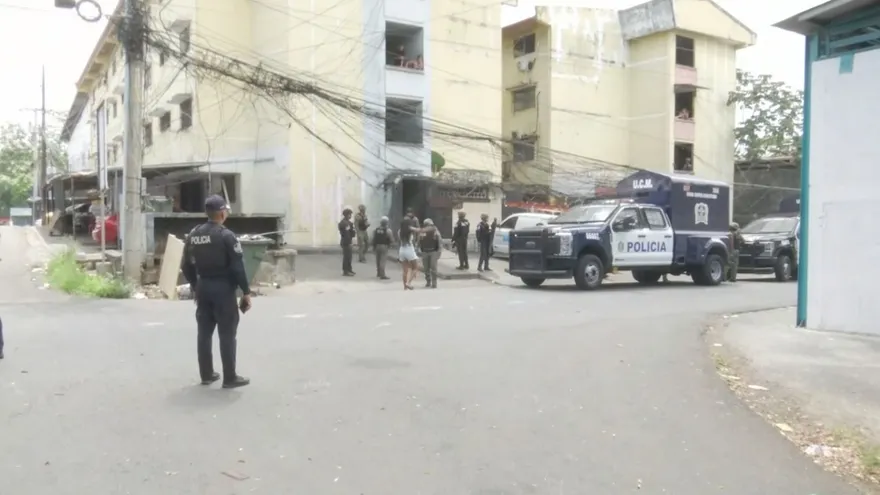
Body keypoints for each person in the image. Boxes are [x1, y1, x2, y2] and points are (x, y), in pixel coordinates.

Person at [180, 195, 250, 389]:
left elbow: (185, 265)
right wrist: (246, 291)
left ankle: (207, 374)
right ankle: (230, 377)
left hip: (203, 288)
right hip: (223, 289)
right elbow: (238, 267)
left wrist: (196, 285)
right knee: (227, 333)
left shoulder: (194, 234)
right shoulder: (226, 235)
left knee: (204, 332)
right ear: (221, 212)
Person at [397, 214, 420, 290]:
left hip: (402, 249)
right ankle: (408, 283)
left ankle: (404, 287)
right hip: (409, 248)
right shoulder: (410, 228)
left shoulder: (399, 231)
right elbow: (419, 230)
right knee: (415, 267)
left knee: (405, 270)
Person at [420, 218, 442, 288]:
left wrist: (439, 252)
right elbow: (419, 241)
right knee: (426, 268)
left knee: (433, 268)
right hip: (425, 252)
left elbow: (440, 242)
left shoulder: (435, 231)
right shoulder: (422, 231)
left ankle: (434, 283)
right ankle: (428, 281)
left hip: (433, 252)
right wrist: (420, 250)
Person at [338, 207, 356, 276]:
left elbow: (352, 233)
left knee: (349, 256)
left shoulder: (348, 223)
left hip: (348, 241)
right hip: (346, 242)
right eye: (349, 214)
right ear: (346, 215)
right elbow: (346, 234)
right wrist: (349, 243)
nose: (350, 216)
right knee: (346, 257)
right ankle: (346, 271)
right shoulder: (344, 223)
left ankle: (349, 269)